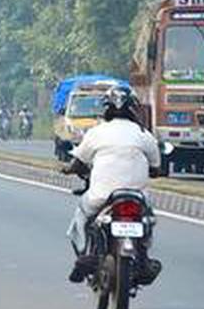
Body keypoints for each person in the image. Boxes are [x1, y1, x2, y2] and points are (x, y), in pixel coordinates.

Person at [61, 86, 162, 283]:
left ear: (106, 109)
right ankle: (143, 258)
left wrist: (68, 169)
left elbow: (78, 162)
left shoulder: (96, 133)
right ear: (133, 109)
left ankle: (84, 255)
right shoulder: (144, 135)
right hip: (138, 197)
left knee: (81, 215)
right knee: (148, 220)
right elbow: (156, 166)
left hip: (101, 195)